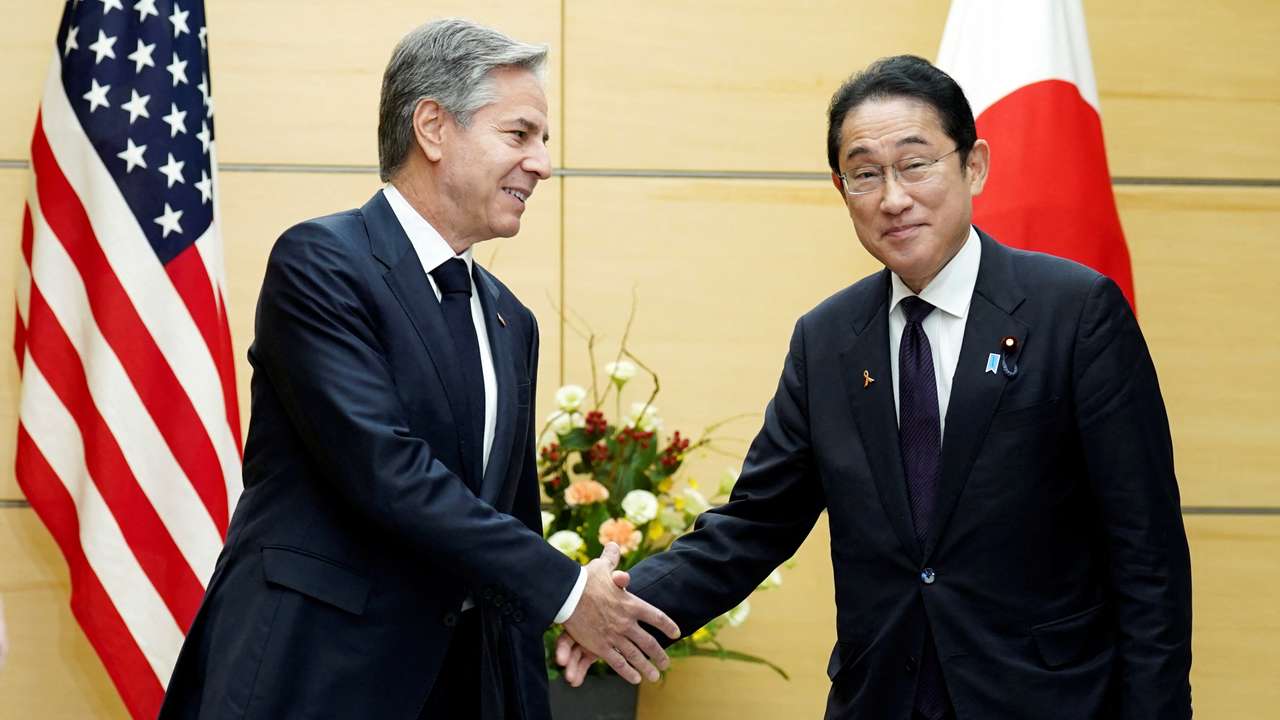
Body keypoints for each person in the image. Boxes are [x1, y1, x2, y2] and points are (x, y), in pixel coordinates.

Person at [557, 55, 1192, 720]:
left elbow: (1146, 554)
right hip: (882, 696)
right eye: (865, 174)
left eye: (915, 164)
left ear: (973, 165)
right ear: (842, 189)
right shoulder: (828, 339)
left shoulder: (1076, 312)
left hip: (1046, 699)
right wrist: (610, 605)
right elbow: (751, 526)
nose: (893, 197)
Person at [159, 18, 676, 720]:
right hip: (314, 679)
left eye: (543, 141)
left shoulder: (508, 320)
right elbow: (385, 470)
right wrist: (566, 591)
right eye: (519, 135)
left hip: (461, 689)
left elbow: (510, 519)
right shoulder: (322, 264)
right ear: (432, 127)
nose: (543, 164)